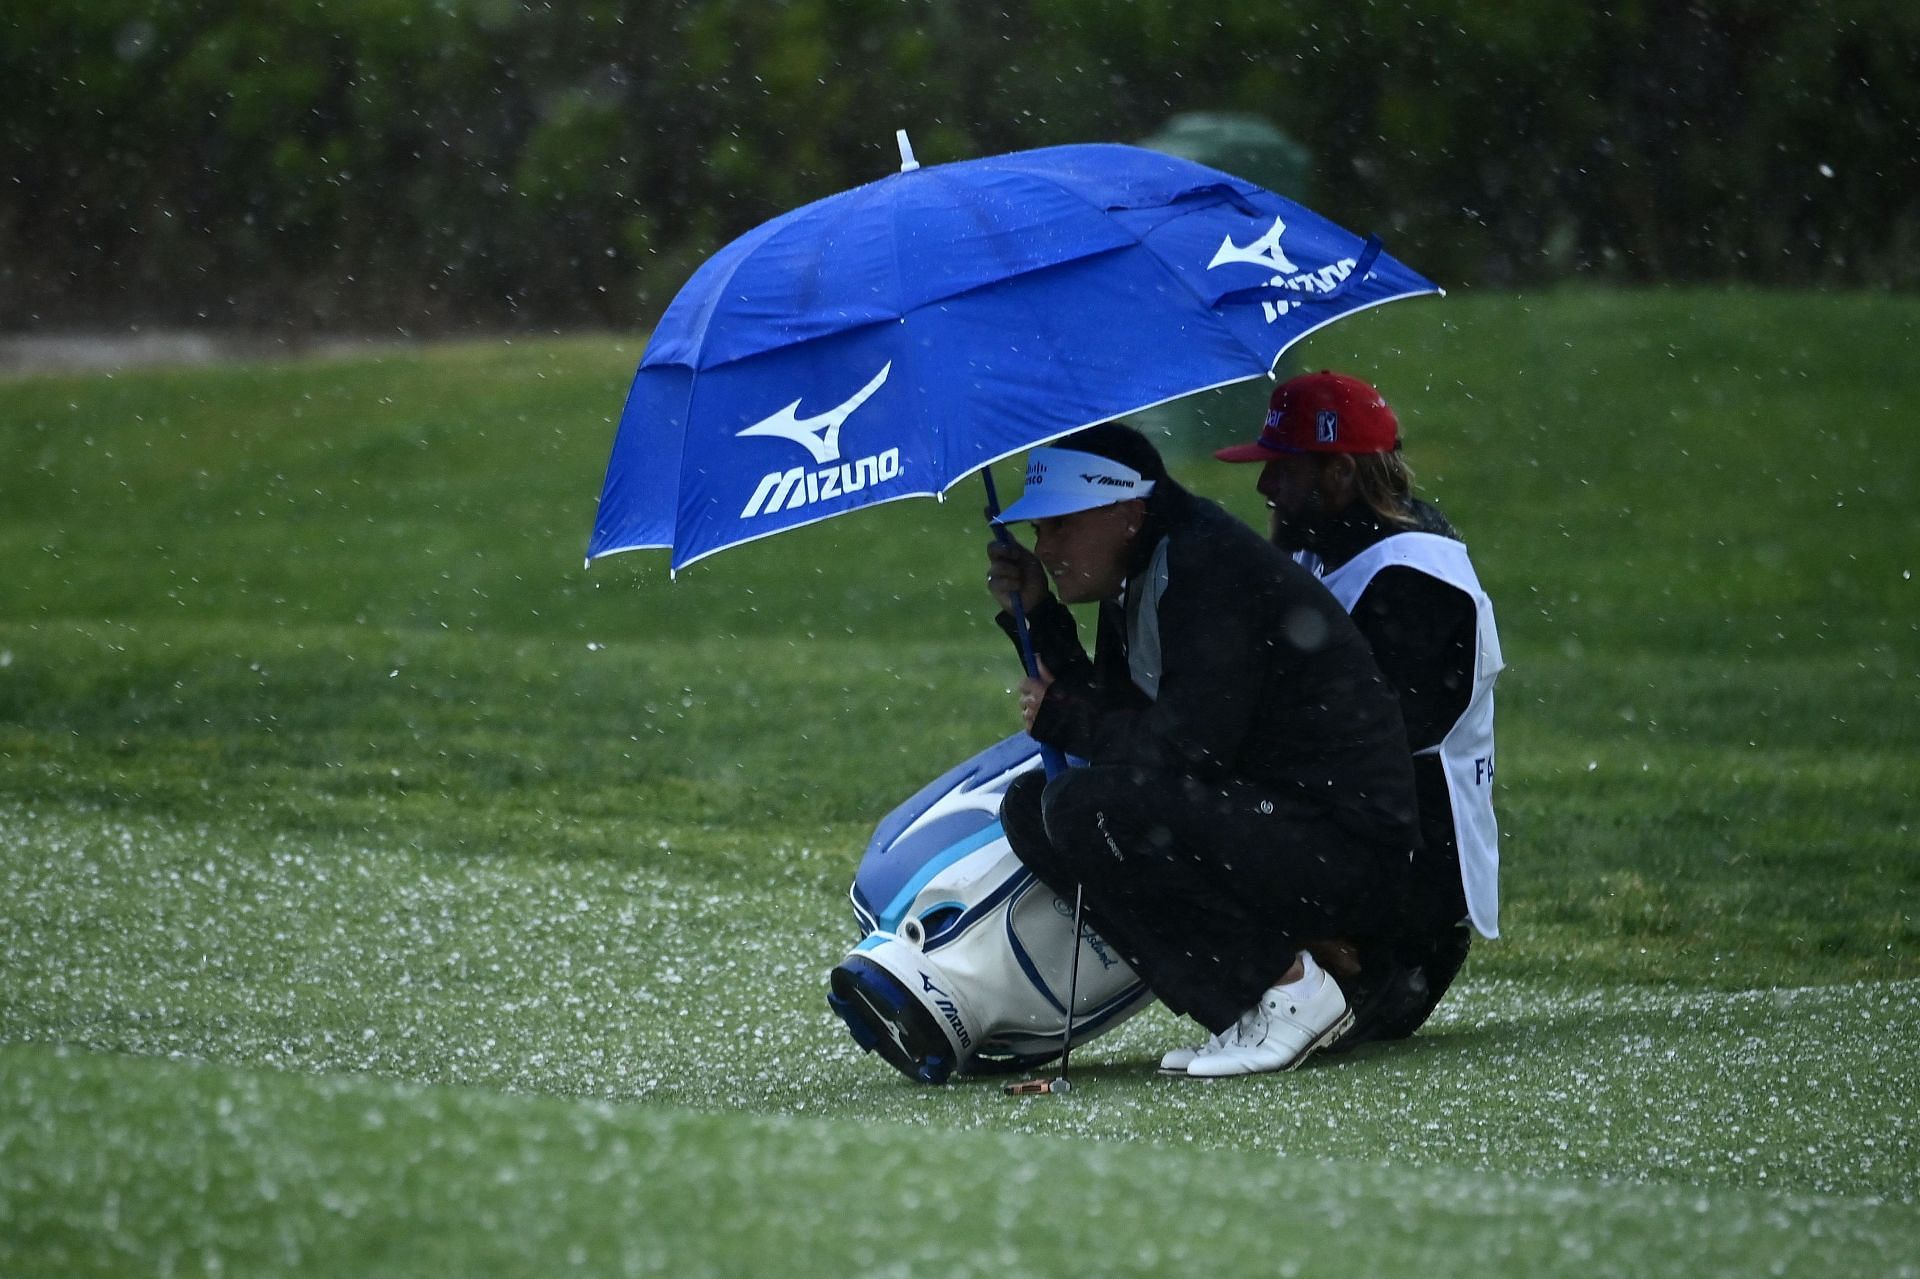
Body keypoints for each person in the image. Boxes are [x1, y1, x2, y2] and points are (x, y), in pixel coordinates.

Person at [984, 421, 1421, 1077]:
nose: (1044, 547)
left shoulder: (1204, 564)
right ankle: (1255, 1000)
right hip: (1274, 820)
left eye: (1060, 526)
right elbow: (1118, 723)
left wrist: (1067, 718)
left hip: (1347, 845)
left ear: (1127, 511)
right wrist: (1040, 613)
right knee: (1034, 804)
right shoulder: (1142, 567)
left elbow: (1187, 749)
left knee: (1084, 806)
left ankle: (1294, 987)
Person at [1214, 370, 1502, 1046]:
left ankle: (1370, 950)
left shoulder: (1411, 575)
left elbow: (1353, 742)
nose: (1264, 489)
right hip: (1378, 836)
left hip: (1412, 874)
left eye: (1281, 472)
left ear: (1339, 473)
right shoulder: (1338, 541)